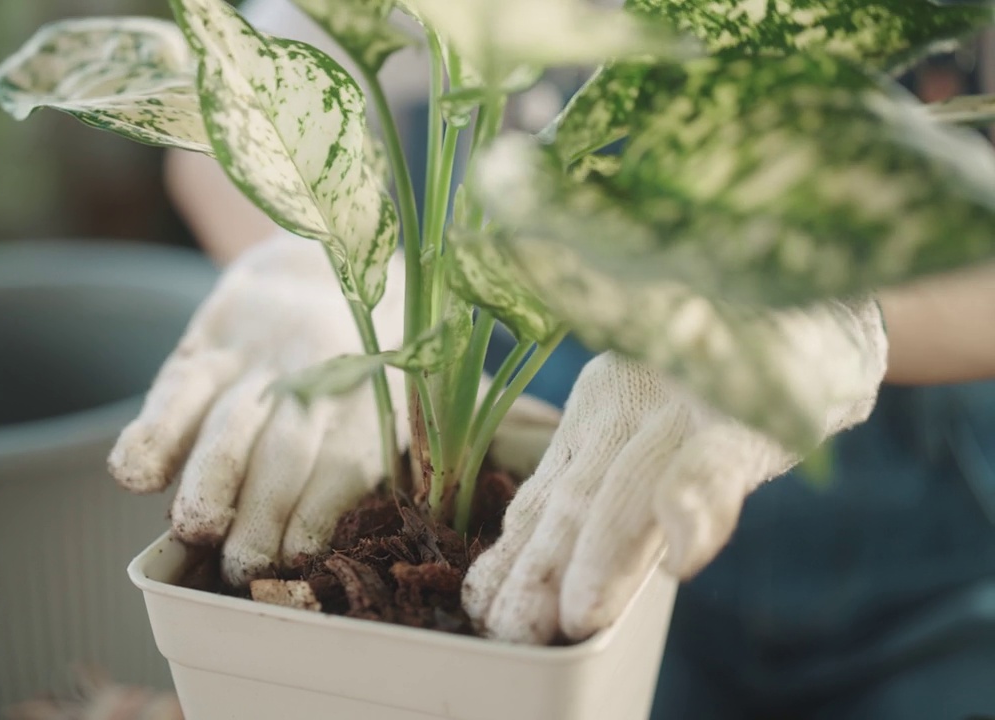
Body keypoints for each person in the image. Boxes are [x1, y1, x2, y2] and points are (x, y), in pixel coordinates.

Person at [111, 2, 995, 717]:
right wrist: (312, 259)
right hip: (568, 501)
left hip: (937, 568)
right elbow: (235, 78)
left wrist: (844, 314)